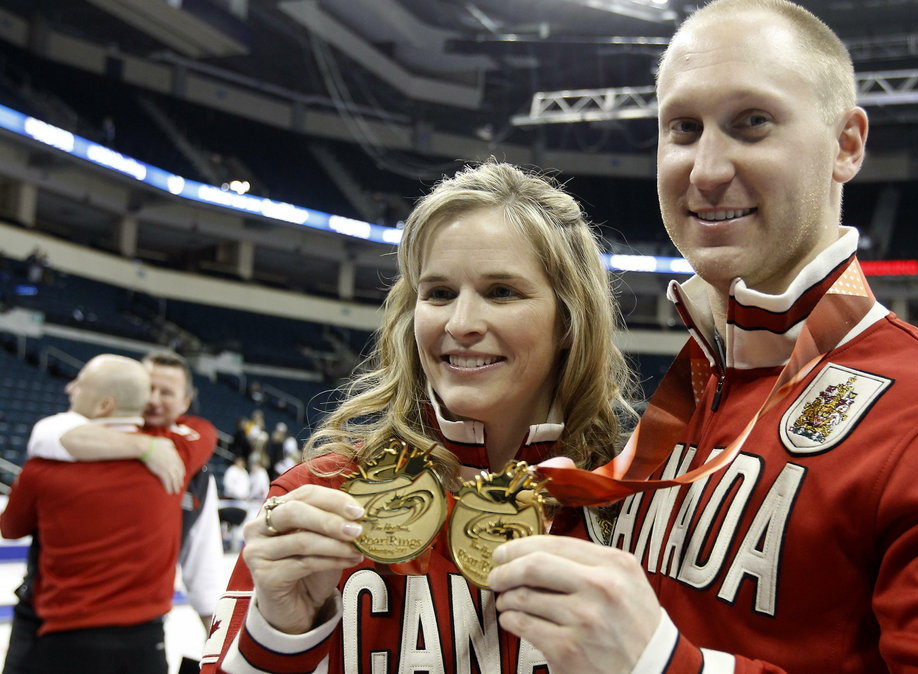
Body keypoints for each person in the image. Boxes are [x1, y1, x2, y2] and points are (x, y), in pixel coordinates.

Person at [486, 1, 918, 671]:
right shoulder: (696, 387)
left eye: (753, 123)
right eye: (683, 127)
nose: (706, 169)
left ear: (846, 145)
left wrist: (664, 664)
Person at [199, 161, 638, 672]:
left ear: (570, 317)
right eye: (439, 293)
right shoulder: (321, 500)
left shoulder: (634, 507)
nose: (462, 323)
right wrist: (279, 632)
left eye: (502, 292)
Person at [0, 354, 213, 673]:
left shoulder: (47, 462)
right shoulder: (177, 454)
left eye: (165, 393)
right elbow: (50, 431)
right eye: (147, 388)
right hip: (110, 633)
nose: (153, 400)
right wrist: (145, 448)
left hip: (64, 632)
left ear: (185, 402)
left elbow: (201, 558)